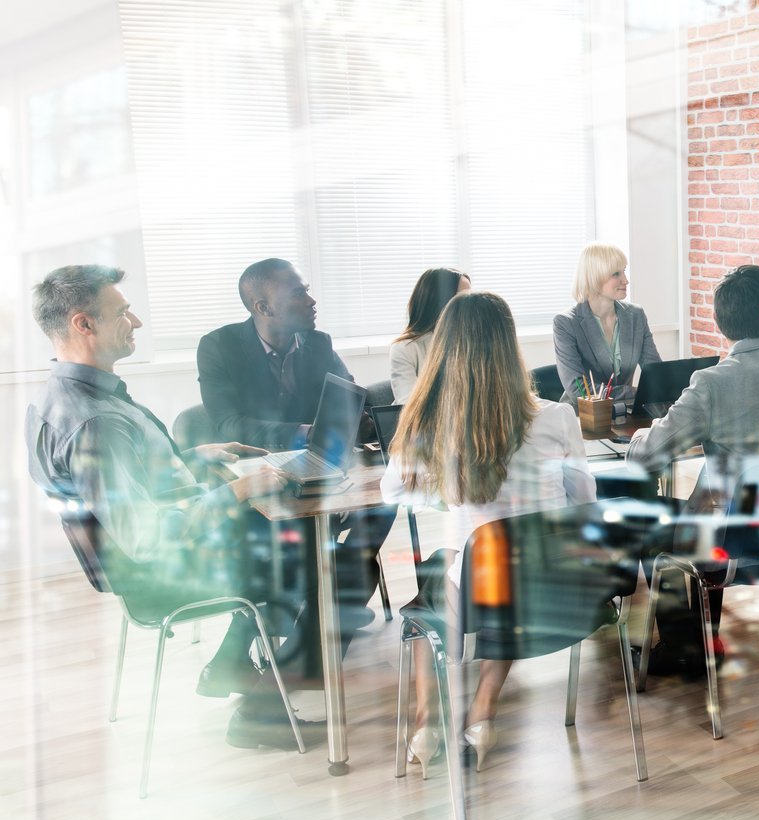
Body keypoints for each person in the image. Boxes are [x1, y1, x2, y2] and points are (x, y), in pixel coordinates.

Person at [26, 264, 316, 749]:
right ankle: (260, 710)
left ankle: (237, 661)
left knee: (293, 539)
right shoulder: (96, 422)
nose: (135, 322)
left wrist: (191, 458)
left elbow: (123, 488)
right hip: (158, 575)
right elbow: (147, 536)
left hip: (137, 560)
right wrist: (240, 491)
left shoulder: (60, 397)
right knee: (306, 548)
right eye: (123, 312)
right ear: (84, 323)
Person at [381, 291, 595, 776]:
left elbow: (392, 489)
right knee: (504, 578)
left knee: (437, 584)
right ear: (509, 345)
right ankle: (481, 714)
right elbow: (585, 503)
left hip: (481, 591)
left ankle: (425, 724)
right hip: (561, 589)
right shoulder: (557, 417)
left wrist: (442, 490)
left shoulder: (431, 427)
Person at [626, 264, 759, 672]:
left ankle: (686, 649)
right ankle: (703, 633)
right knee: (712, 509)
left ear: (719, 324)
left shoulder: (712, 383)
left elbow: (648, 457)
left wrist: (636, 437)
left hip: (736, 544)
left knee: (649, 520)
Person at [196, 257, 389, 651]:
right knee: (304, 528)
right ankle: (326, 616)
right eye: (299, 293)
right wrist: (302, 432)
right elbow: (226, 425)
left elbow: (348, 395)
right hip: (256, 475)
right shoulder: (220, 347)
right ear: (262, 307)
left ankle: (331, 607)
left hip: (315, 468)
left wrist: (362, 421)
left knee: (386, 503)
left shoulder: (318, 343)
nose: (312, 300)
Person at [552, 242, 661, 404]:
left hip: (626, 413)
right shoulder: (566, 323)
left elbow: (655, 372)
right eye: (616, 274)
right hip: (583, 417)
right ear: (594, 277)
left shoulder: (635, 315)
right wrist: (635, 393)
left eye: (624, 271)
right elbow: (578, 390)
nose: (625, 280)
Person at [390, 267, 471, 404]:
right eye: (463, 297)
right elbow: (409, 405)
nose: (471, 304)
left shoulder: (471, 340)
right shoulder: (405, 348)